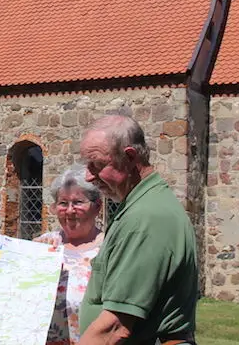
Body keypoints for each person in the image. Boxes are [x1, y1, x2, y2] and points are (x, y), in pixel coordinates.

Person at [76, 115, 199, 345]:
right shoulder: (140, 205)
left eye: (97, 165)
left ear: (130, 157)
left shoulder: (145, 218)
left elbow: (115, 328)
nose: (88, 176)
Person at [34, 165, 106, 345]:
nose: (70, 211)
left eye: (78, 202)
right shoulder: (44, 245)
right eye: (63, 203)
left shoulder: (108, 249)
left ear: (97, 207)